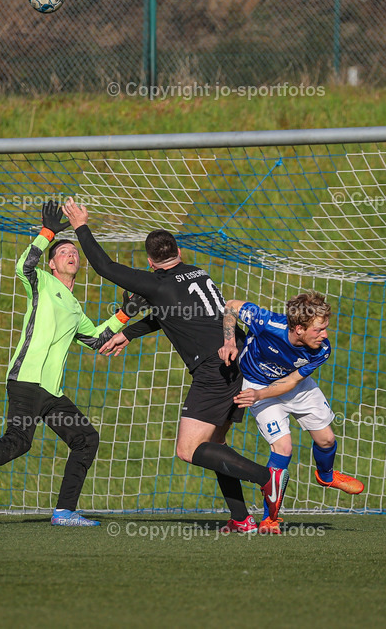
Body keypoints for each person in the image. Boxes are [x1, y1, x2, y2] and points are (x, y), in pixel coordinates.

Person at [62, 198, 288, 533]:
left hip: (215, 367)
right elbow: (169, 313)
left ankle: (266, 477)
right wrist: (129, 334)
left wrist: (80, 224)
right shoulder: (198, 274)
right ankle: (242, 519)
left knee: (188, 449)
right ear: (178, 253)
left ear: (151, 262)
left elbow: (105, 267)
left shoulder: (157, 282)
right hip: (240, 360)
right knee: (216, 446)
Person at [0, 201, 146, 526]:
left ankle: (64, 511)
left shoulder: (75, 306)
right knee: (17, 442)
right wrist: (47, 233)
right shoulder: (42, 283)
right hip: (27, 379)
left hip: (50, 390)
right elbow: (23, 265)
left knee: (85, 439)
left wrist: (127, 312)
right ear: (52, 264)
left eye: (73, 252)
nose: (71, 254)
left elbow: (96, 339)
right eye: (62, 252)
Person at [219, 291, 363, 534]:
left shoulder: (321, 350)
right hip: (257, 384)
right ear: (298, 328)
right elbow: (231, 306)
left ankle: (326, 476)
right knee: (283, 448)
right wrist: (229, 341)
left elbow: (290, 382)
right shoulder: (265, 321)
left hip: (291, 386)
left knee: (327, 440)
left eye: (325, 328)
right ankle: (269, 518)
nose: (325, 335)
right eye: (319, 330)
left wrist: (259, 396)